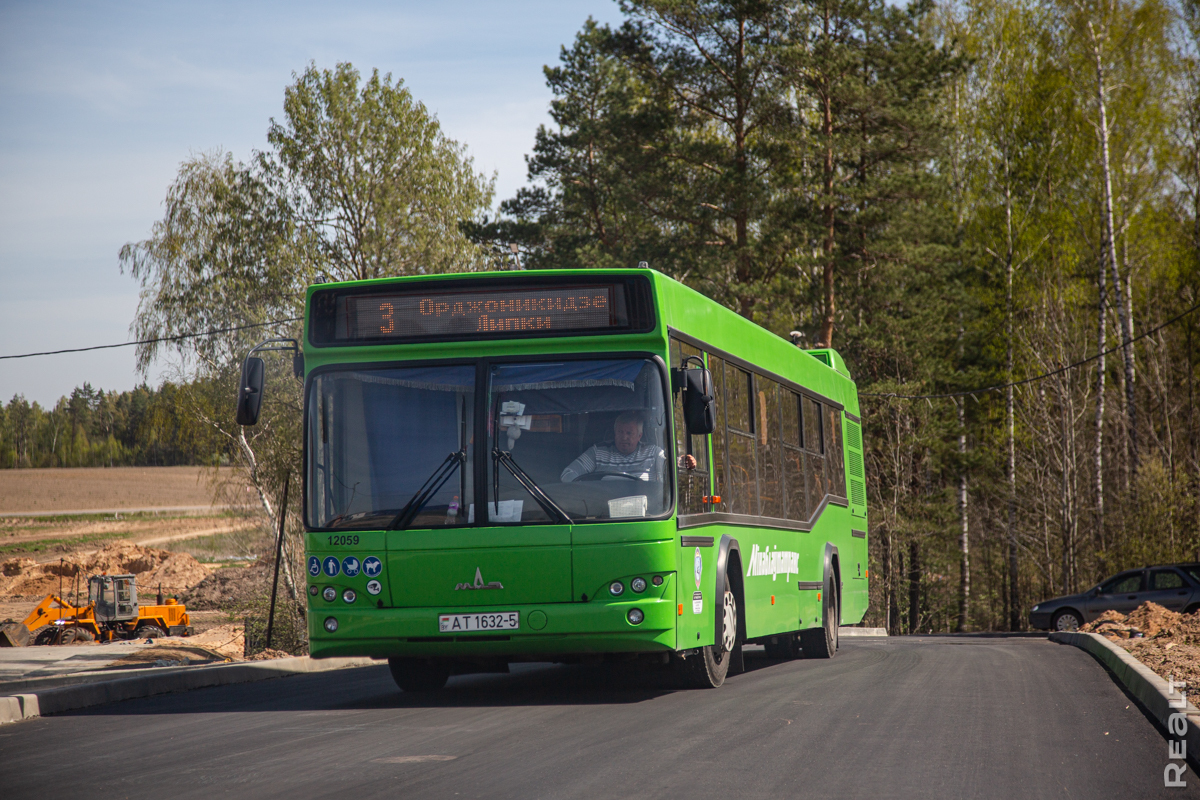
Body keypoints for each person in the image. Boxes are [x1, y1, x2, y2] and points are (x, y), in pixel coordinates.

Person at [561, 411, 668, 482]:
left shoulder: (653, 453)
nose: (624, 437)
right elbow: (568, 474)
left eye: (629, 433)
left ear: (639, 435)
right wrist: (585, 491)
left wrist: (680, 462)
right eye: (620, 432)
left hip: (647, 512)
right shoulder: (598, 452)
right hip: (604, 511)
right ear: (614, 433)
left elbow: (669, 467)